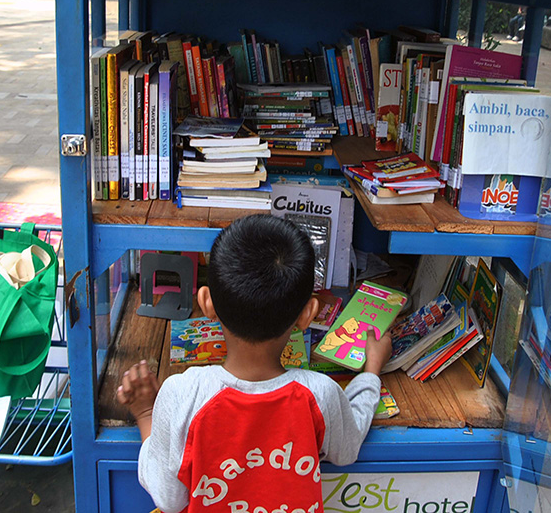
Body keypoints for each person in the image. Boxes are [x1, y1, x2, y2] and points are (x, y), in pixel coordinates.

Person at [117, 214, 391, 513]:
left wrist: (146, 414)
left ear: (206, 302)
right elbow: (347, 448)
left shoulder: (183, 393)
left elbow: (169, 500)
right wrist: (370, 373)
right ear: (308, 314)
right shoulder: (319, 394)